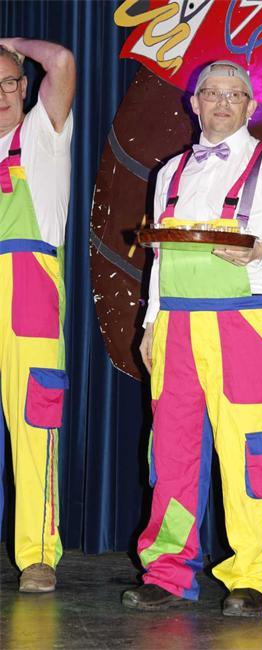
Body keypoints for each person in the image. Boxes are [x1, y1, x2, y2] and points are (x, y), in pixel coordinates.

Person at [122, 60, 262, 617]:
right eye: (212, 93)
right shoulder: (171, 171)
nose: (222, 103)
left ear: (251, 106)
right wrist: (151, 323)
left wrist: (259, 249)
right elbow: (161, 257)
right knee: (172, 453)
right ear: (195, 103)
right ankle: (167, 571)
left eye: (234, 95)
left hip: (243, 322)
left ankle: (253, 576)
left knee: (250, 451)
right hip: (176, 326)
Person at [0, 38, 75, 592]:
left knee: (34, 426)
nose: (1, 94)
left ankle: (38, 554)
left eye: (9, 82)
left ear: (24, 87)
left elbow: (63, 62)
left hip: (27, 292)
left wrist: (12, 45)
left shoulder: (42, 135)